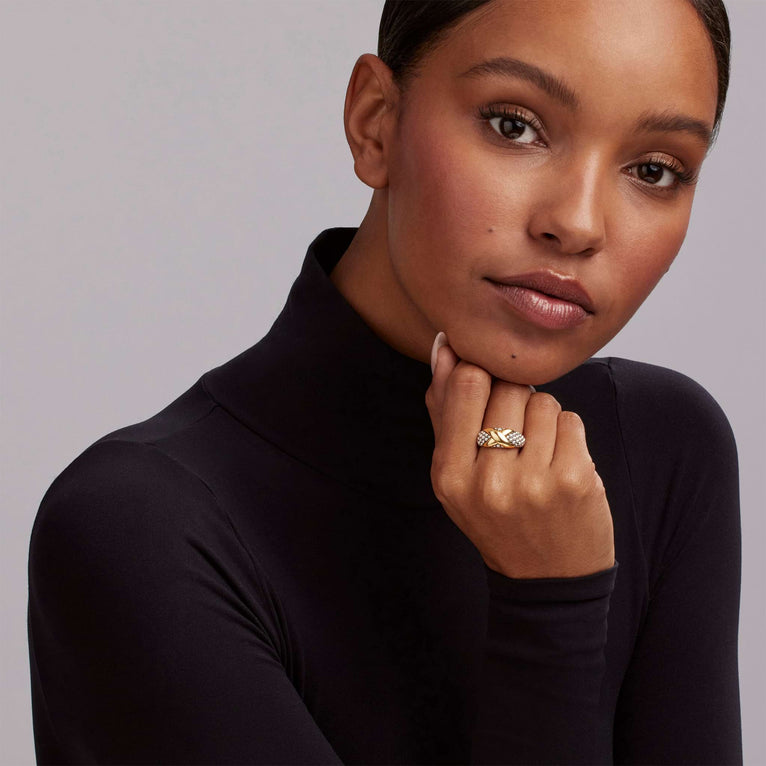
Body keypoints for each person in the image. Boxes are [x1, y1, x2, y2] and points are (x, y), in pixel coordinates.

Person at [27, 0, 742, 763]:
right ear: (376, 123)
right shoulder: (140, 528)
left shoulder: (664, 451)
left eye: (654, 169)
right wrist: (552, 605)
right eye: (514, 125)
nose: (578, 222)